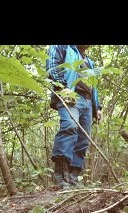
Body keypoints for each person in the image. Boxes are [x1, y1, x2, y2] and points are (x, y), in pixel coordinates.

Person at [46, 45, 103, 189]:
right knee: (69, 127)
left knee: (83, 140)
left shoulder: (90, 62)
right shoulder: (63, 47)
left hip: (88, 101)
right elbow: (52, 65)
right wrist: (63, 88)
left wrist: (98, 107)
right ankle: (61, 176)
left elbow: (94, 86)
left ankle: (73, 178)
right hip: (70, 94)